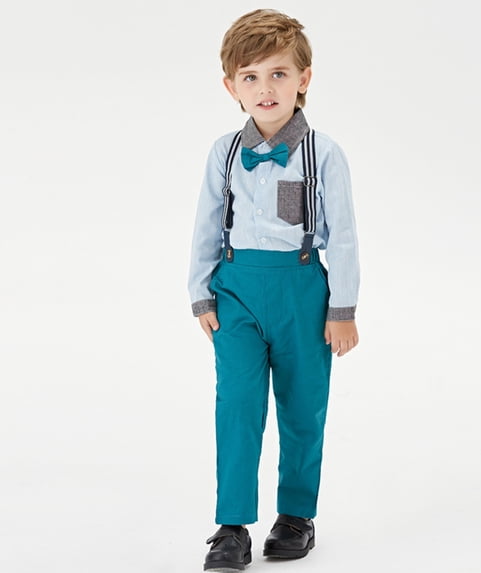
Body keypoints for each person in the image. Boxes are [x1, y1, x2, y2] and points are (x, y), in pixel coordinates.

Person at [187, 8, 360, 571]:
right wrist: (201, 293)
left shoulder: (323, 154)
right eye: (251, 76)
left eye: (278, 74)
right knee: (237, 405)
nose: (265, 88)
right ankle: (232, 525)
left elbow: (344, 236)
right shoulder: (224, 152)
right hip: (236, 292)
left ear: (303, 79)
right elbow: (207, 225)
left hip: (302, 292)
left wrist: (342, 308)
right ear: (231, 87)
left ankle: (296, 516)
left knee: (303, 406)